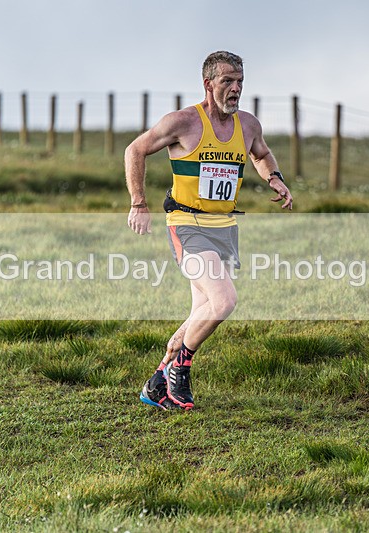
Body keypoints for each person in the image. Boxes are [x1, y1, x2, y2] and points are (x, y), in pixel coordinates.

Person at [125, 51, 293, 410]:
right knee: (224, 301)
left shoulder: (247, 125)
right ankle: (180, 372)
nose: (236, 89)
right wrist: (139, 202)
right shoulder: (183, 122)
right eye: (228, 82)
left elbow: (261, 155)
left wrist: (275, 179)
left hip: (225, 228)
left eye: (240, 83)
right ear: (208, 84)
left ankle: (156, 385)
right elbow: (135, 150)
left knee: (200, 312)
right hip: (187, 225)